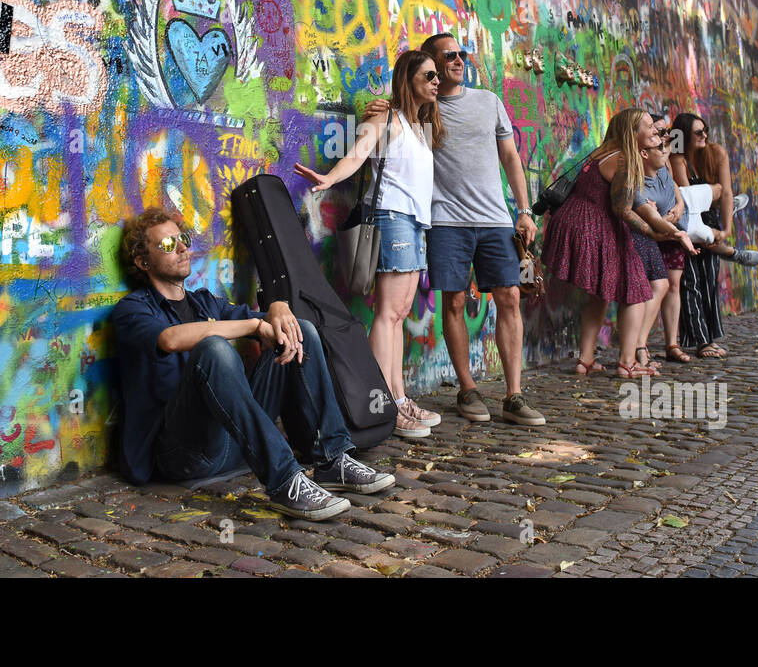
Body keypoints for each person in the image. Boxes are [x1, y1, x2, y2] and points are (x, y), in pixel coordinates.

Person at [111, 207, 395, 520]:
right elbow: (171, 340)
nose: (182, 249)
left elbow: (266, 322)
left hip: (234, 442)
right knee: (214, 350)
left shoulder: (205, 302)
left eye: (184, 239)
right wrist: (252, 326)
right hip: (183, 455)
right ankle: (285, 480)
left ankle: (332, 459)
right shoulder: (132, 310)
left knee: (300, 330)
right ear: (143, 261)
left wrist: (276, 307)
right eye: (168, 245)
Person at [364, 34, 544, 426]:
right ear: (431, 64)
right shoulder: (426, 111)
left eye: (461, 53)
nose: (459, 60)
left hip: (496, 219)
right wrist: (381, 109)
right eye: (449, 55)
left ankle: (514, 395)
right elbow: (397, 131)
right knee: (456, 302)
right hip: (445, 220)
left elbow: (510, 155)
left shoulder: (488, 101)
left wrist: (524, 210)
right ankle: (467, 389)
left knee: (510, 296)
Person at [295, 50, 444, 439]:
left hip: (414, 224)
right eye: (428, 75)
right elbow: (360, 154)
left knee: (398, 314)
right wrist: (328, 178)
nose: (435, 81)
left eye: (436, 76)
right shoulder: (386, 118)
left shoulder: (420, 126)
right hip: (392, 221)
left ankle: (398, 397)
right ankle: (385, 406)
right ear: (407, 78)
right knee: (388, 314)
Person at [543, 107, 695, 379]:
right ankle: (628, 363)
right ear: (631, 132)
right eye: (648, 126)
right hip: (592, 225)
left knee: (600, 294)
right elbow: (623, 210)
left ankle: (585, 360)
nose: (654, 131)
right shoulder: (624, 159)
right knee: (636, 289)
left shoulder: (604, 150)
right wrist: (654, 232)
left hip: (576, 220)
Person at [668, 113, 758, 358]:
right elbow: (686, 198)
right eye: (698, 132)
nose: (705, 136)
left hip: (709, 218)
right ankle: (701, 340)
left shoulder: (716, 152)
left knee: (708, 280)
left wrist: (727, 228)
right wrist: (713, 191)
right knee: (690, 282)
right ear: (684, 135)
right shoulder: (677, 158)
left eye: (705, 130)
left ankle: (708, 338)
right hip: (687, 220)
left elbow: (726, 191)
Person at [632, 116, 697, 364]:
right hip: (651, 233)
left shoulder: (662, 163)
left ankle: (670, 343)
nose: (663, 138)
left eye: (665, 134)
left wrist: (679, 207)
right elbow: (641, 205)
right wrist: (668, 225)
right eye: (658, 132)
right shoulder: (640, 167)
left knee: (671, 284)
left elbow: (676, 188)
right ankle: (639, 346)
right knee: (652, 286)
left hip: (670, 228)